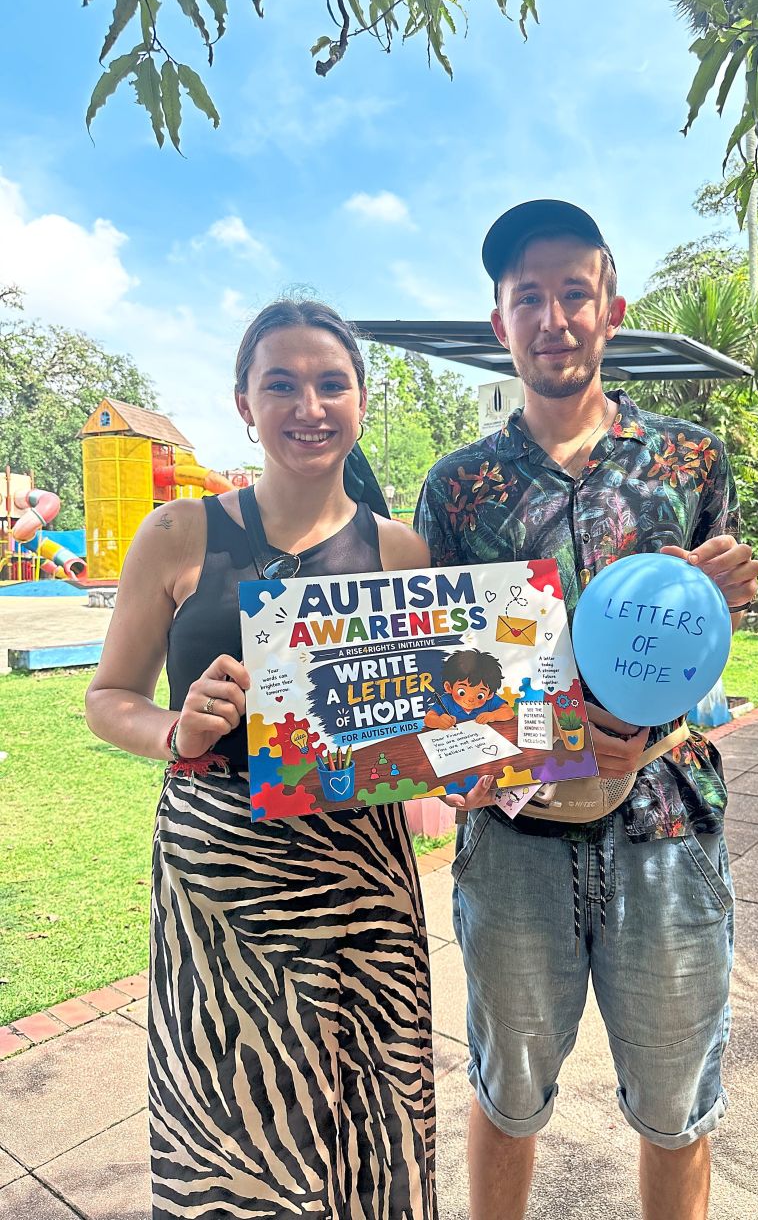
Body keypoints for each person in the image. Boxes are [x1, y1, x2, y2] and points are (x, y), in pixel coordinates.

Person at [85, 299, 483, 1220]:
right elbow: (107, 698)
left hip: (359, 868)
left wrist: (475, 761)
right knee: (231, 1110)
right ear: (243, 403)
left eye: (331, 383)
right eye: (282, 384)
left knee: (370, 1101)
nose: (309, 404)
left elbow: (438, 721)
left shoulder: (402, 554)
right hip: (218, 869)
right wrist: (174, 732)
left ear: (361, 401)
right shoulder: (181, 533)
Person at [414, 201, 758, 1220]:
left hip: (666, 831)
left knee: (676, 1105)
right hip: (516, 837)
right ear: (499, 324)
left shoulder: (692, 464)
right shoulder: (459, 488)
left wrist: (726, 592)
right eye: (531, 297)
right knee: (507, 1092)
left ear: (613, 309)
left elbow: (705, 663)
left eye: (575, 292)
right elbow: (447, 684)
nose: (554, 315)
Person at [423, 649, 514, 729]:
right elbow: (428, 719)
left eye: (480, 695)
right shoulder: (446, 701)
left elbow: (509, 712)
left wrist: (493, 716)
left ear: (489, 694)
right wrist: (438, 721)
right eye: (462, 692)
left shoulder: (490, 701)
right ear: (448, 687)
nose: (470, 699)